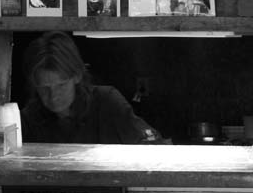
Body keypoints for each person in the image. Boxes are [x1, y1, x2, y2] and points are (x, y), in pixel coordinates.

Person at [20, 32, 165, 144]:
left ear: (77, 76)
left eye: (61, 85)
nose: (53, 96)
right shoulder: (27, 120)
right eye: (44, 88)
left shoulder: (107, 103)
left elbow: (152, 142)